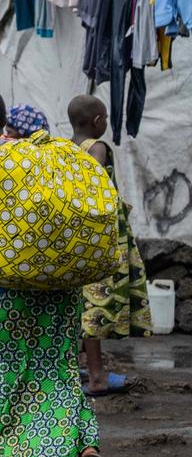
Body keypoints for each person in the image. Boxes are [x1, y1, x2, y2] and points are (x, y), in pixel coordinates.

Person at [0, 87, 103, 457]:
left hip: (8, 294)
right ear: (4, 121)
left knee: (7, 373)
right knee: (59, 370)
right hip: (62, 287)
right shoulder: (43, 155)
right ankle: (86, 448)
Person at [69, 94, 151, 396]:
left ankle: (76, 371)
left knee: (79, 307)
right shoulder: (97, 148)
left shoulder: (65, 148)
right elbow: (91, 188)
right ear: (98, 121)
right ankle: (97, 377)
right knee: (96, 308)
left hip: (74, 239)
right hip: (99, 241)